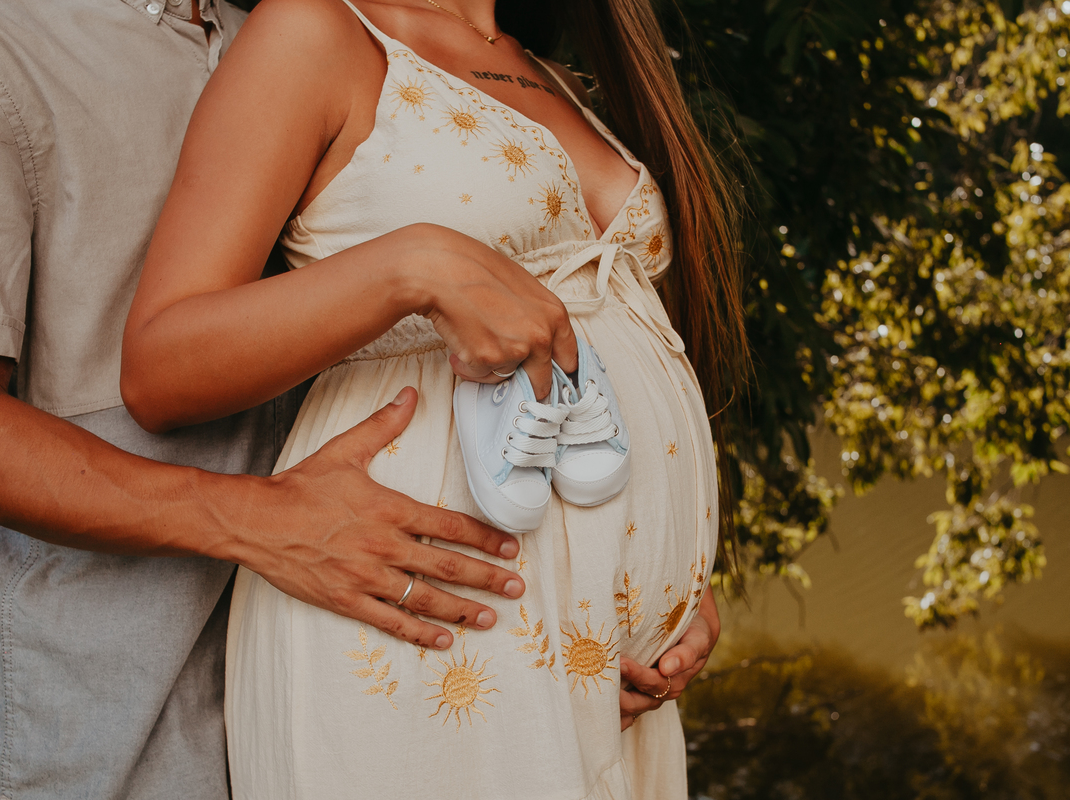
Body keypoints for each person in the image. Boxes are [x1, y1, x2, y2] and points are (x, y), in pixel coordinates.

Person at [0, 0, 714, 796]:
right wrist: (264, 519)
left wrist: (645, 566)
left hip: (422, 623)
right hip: (128, 690)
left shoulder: (305, 33)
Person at [121, 0, 742, 797]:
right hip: (433, 616)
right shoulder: (315, 30)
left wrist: (667, 569)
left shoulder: (550, 68)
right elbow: (162, 365)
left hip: (606, 670)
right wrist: (413, 266)